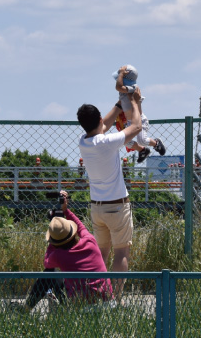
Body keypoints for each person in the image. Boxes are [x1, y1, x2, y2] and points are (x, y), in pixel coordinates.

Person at [77, 90, 142, 299]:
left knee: (101, 254)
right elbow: (136, 127)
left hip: (97, 208)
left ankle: (96, 294)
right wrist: (134, 102)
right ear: (97, 119)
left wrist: (119, 103)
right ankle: (114, 298)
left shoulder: (84, 142)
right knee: (121, 253)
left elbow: (102, 124)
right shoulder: (107, 142)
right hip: (117, 206)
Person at [14, 190, 114, 312]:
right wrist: (66, 210)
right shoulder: (90, 241)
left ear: (54, 241)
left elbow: (47, 263)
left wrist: (54, 230)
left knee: (50, 274)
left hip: (82, 308)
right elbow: (81, 226)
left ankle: (27, 308)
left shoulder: (58, 255)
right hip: (108, 303)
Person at [113, 65, 165, 163]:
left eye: (120, 78)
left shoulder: (132, 88)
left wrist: (121, 74)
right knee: (125, 141)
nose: (118, 79)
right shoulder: (125, 90)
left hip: (139, 120)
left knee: (143, 140)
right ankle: (142, 150)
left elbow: (118, 87)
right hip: (130, 122)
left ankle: (156, 143)